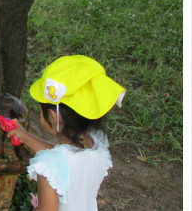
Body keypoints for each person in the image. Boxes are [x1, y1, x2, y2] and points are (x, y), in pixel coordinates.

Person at [8, 55, 126, 211]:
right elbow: (64, 158)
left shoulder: (49, 168)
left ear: (52, 117)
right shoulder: (98, 147)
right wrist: (24, 135)